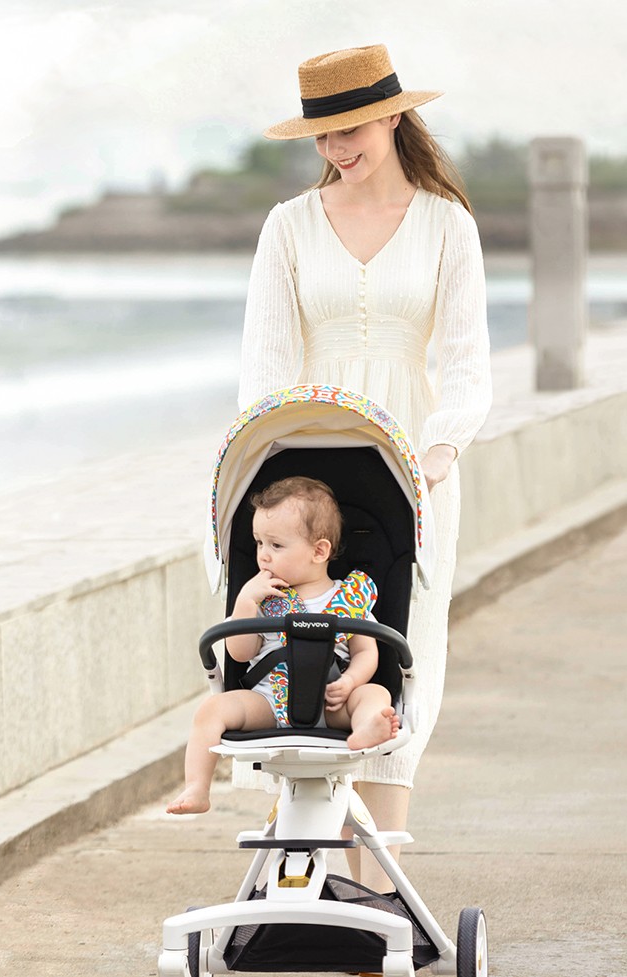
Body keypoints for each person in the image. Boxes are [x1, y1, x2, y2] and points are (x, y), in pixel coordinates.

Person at [237, 45, 492, 889]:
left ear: (391, 115)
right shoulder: (289, 225)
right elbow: (264, 367)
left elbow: (467, 363)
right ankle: (300, 871)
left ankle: (381, 884)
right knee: (301, 642)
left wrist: (441, 446)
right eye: (323, 135)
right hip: (310, 463)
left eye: (350, 129)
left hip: (414, 464)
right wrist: (260, 471)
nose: (337, 148)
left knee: (399, 650)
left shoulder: (447, 223)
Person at [167, 476, 398, 816]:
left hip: (333, 703)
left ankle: (366, 727)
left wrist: (350, 682)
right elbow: (240, 653)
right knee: (211, 710)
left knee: (375, 694)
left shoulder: (349, 596)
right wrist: (246, 602)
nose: (263, 555)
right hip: (269, 702)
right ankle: (197, 787)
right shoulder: (263, 597)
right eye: (259, 543)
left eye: (276, 545)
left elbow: (366, 653)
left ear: (319, 551)